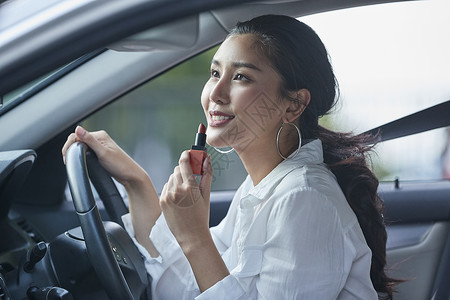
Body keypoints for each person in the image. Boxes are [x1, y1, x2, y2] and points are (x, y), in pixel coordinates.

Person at [62, 15, 398, 299]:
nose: (215, 94)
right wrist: (136, 181)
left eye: (241, 77)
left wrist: (195, 237)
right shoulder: (262, 188)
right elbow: (188, 286)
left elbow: (201, 271)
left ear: (293, 105)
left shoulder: (303, 197)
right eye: (214, 73)